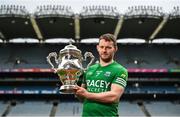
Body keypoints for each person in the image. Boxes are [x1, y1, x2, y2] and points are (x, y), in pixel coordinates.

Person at [74, 33, 128, 116]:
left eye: (108, 47)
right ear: (97, 48)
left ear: (115, 49)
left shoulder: (120, 70)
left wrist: (87, 94)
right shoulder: (89, 69)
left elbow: (114, 96)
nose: (104, 50)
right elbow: (83, 98)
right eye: (102, 47)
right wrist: (76, 90)